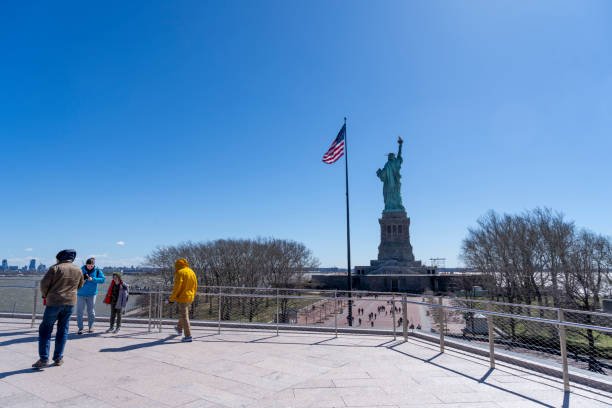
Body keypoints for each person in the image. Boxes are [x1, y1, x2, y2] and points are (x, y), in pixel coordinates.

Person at [33, 249, 84, 368]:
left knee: (45, 329)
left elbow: (43, 284)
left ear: (60, 258)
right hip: (70, 303)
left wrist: (45, 295)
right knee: (63, 330)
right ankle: (58, 358)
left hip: (54, 303)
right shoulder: (78, 270)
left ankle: (44, 359)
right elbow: (80, 286)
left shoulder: (55, 268)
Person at [169, 258, 197, 342]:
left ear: (177, 265)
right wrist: (193, 295)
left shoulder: (180, 273)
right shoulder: (191, 272)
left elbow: (177, 287)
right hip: (190, 297)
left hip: (182, 297)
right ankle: (179, 328)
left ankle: (188, 336)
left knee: (185, 316)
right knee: (184, 314)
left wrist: (172, 299)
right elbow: (195, 285)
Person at [76, 257, 105, 334]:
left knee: (91, 311)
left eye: (91, 266)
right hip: (80, 294)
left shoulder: (98, 270)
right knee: (79, 311)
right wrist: (83, 280)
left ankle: (91, 327)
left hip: (92, 294)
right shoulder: (80, 270)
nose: (90, 267)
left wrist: (93, 279)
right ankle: (80, 328)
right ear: (86, 264)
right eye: (88, 265)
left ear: (94, 265)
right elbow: (75, 280)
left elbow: (102, 280)